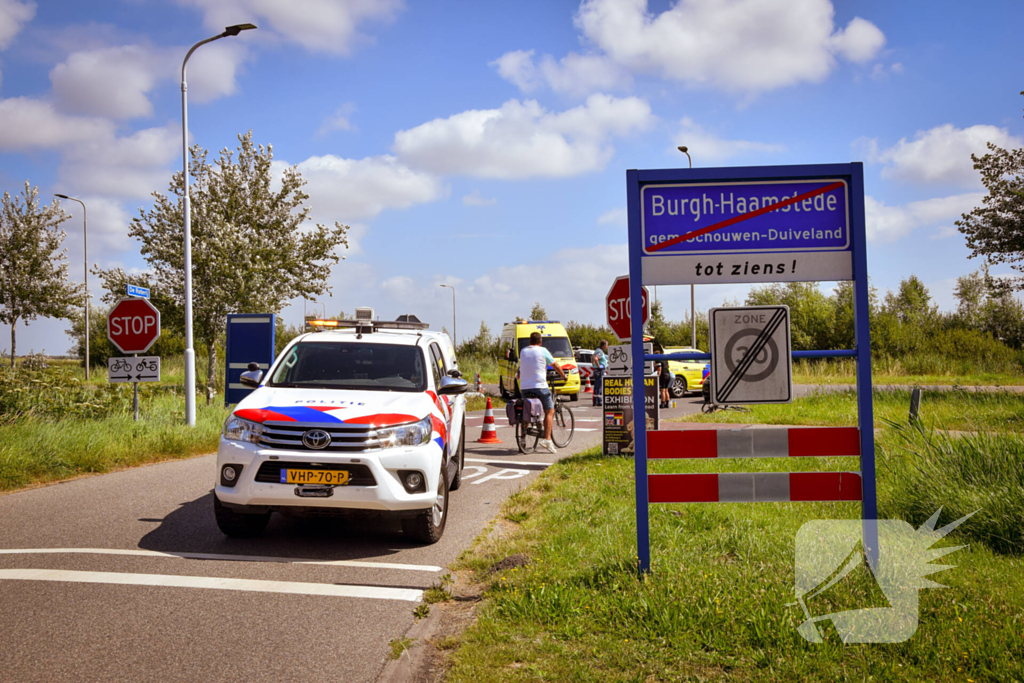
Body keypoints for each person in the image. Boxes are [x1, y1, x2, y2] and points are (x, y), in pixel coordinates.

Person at [517, 331, 566, 453]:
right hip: (540, 386)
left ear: (529, 341)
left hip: (524, 387)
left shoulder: (523, 351)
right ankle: (547, 440)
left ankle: (522, 439)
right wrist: (563, 375)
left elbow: (520, 369)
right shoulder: (543, 350)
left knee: (526, 412)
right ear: (540, 342)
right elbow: (555, 365)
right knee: (549, 411)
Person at [591, 340, 608, 406]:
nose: (607, 346)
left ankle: (595, 401)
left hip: (596, 370)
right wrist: (599, 366)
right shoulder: (600, 351)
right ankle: (599, 401)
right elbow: (595, 359)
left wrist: (593, 364)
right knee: (599, 386)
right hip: (599, 371)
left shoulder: (597, 350)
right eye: (606, 345)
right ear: (604, 345)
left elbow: (592, 357)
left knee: (596, 386)